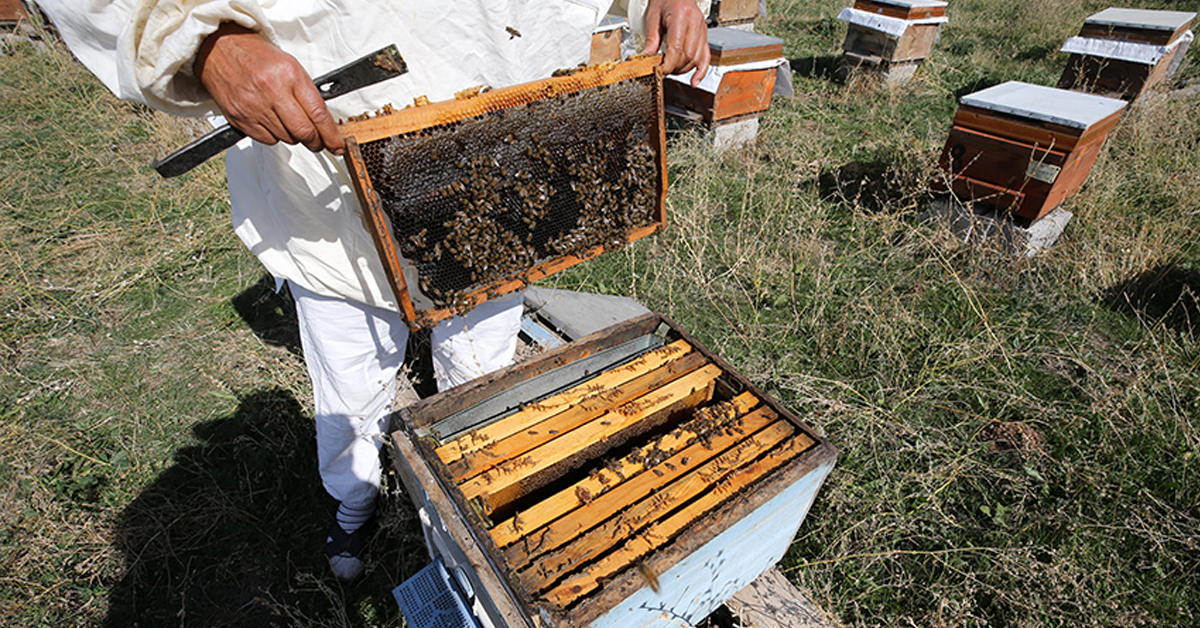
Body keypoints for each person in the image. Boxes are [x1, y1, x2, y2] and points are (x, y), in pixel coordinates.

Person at [37, 0, 711, 581]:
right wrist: (205, 43)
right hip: (331, 146)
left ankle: (471, 487)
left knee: (481, 364)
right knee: (351, 377)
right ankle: (352, 503)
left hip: (508, 134)